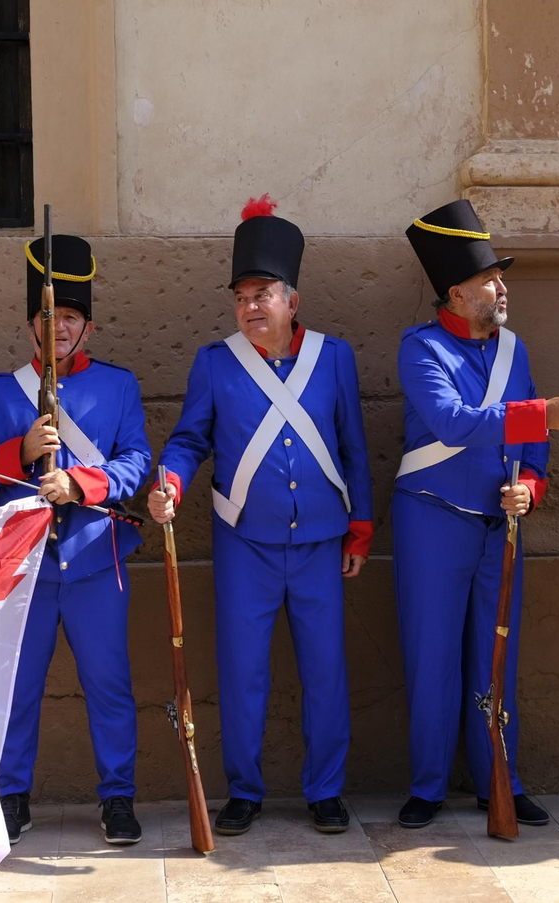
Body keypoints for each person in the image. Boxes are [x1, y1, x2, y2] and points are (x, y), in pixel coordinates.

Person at [150, 195, 373, 836]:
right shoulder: (215, 363)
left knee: (326, 671)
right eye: (242, 295)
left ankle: (325, 790)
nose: (251, 305)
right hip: (242, 541)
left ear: (292, 300)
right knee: (243, 670)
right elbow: (191, 441)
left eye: (263, 293)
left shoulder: (334, 358)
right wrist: (170, 482)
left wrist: (360, 529)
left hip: (321, 543)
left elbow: (354, 448)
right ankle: (244, 789)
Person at [391, 198, 559, 829]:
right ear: (456, 292)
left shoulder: (515, 351)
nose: (501, 287)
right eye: (490, 279)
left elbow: (533, 450)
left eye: (500, 277)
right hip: (432, 517)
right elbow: (452, 422)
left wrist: (531, 488)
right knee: (432, 657)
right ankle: (427, 786)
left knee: (496, 657)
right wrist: (540, 413)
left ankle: (498, 778)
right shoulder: (419, 348)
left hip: (498, 523)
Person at [0, 233, 150, 845]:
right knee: (18, 688)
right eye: (47, 316)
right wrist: (20, 453)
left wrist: (82, 483)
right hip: (24, 568)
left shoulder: (117, 387)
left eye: (69, 317)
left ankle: (118, 797)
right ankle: (12, 796)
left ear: (86, 328)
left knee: (109, 686)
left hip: (95, 562)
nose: (57, 327)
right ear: (30, 326)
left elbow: (137, 462)